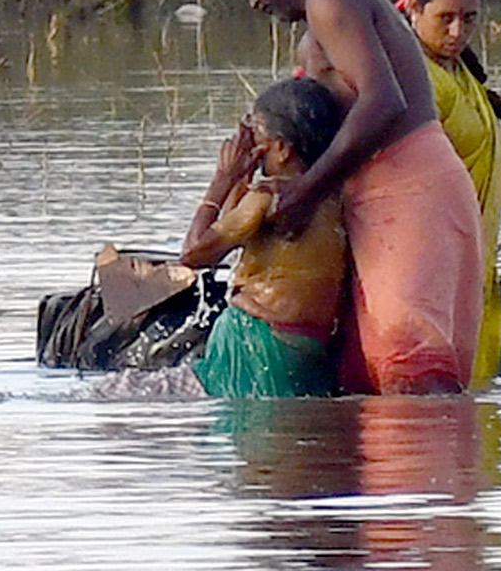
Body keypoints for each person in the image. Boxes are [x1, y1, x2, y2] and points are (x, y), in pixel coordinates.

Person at [211, 0, 484, 395]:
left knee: (411, 369)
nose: (254, 2)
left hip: (409, 191)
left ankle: (428, 472)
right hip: (404, 192)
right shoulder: (325, 20)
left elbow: (383, 102)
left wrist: (306, 191)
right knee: (384, 373)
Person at [95, 78, 347, 399]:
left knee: (112, 392)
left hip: (257, 349)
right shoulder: (334, 197)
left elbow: (195, 254)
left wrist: (222, 179)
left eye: (259, 139)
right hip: (305, 351)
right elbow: (235, 231)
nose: (252, 148)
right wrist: (242, 178)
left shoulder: (269, 197)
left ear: (282, 150)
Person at [398, 0, 501, 388]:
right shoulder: (415, 79)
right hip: (433, 279)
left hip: (475, 273)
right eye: (445, 18)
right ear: (413, 9)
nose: (457, 32)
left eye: (469, 18)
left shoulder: (461, 72)